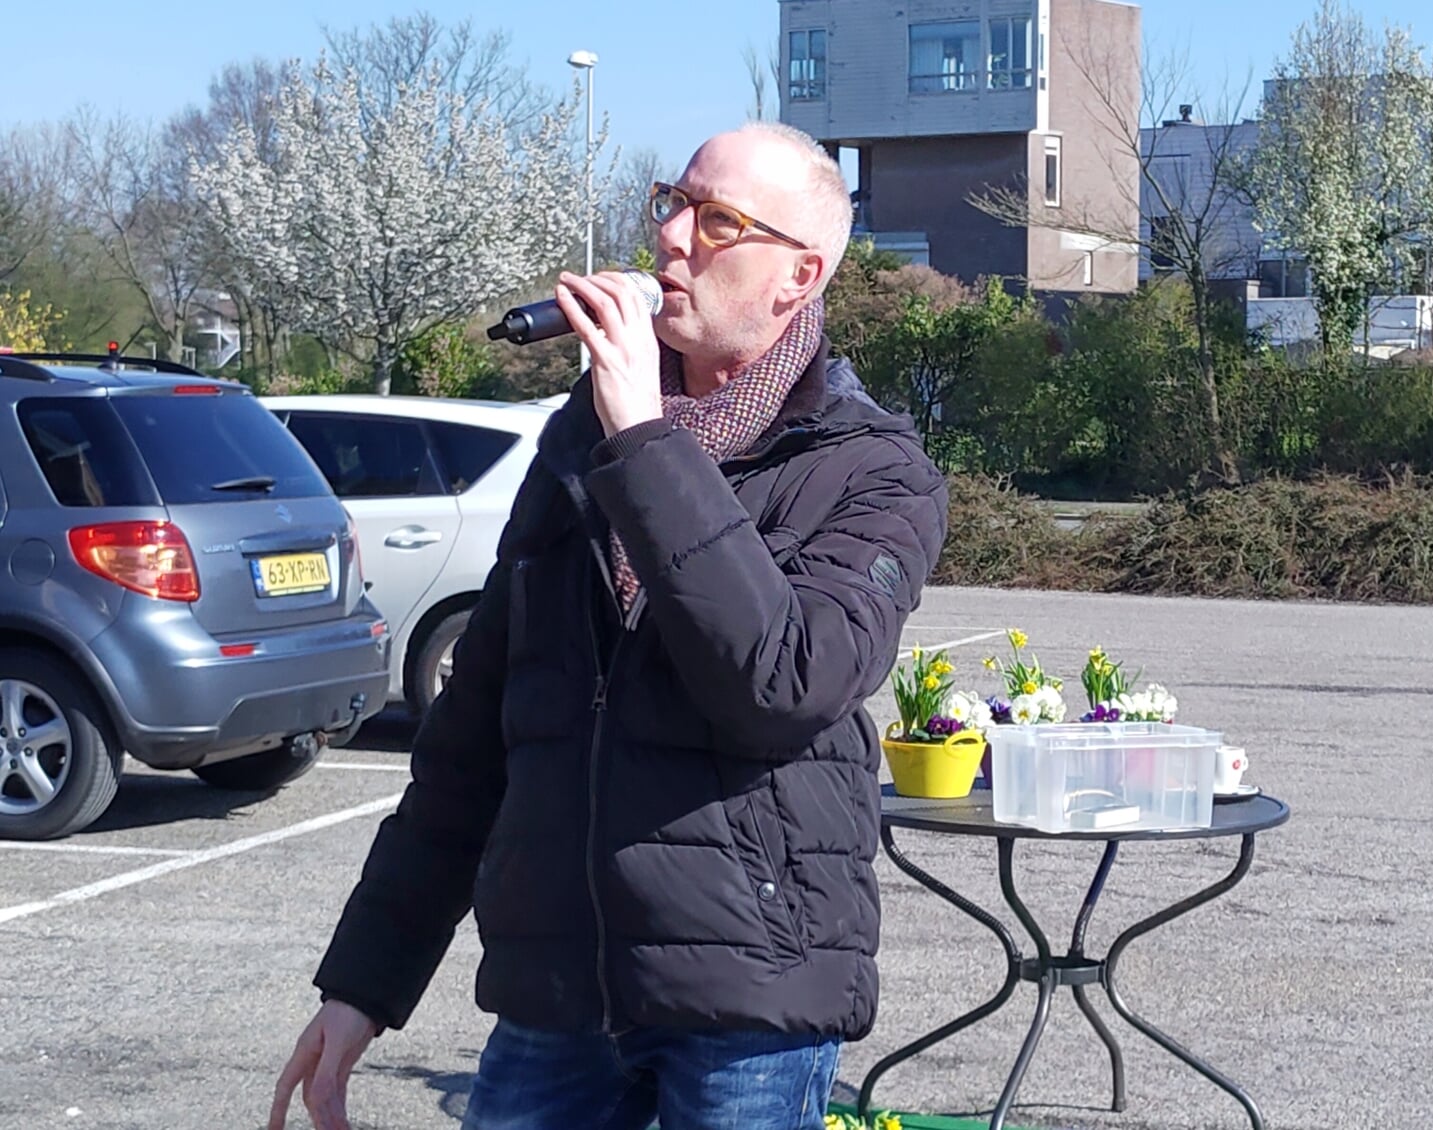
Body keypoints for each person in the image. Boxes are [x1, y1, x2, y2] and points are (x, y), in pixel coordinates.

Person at [267, 120, 949, 1130]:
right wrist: (363, 981)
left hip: (749, 1001)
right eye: (672, 203)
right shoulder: (579, 437)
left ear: (797, 278)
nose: (673, 238)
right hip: (557, 995)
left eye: (718, 222)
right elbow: (475, 734)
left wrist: (643, 436)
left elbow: (783, 679)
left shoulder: (871, 470)